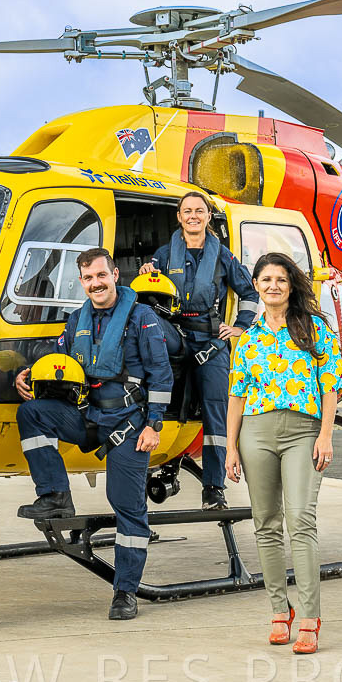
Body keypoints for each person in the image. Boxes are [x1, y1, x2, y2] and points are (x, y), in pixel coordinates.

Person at [13, 247, 173, 621]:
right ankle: (55, 495)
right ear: (81, 281)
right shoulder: (77, 321)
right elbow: (60, 361)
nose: (95, 283)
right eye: (88, 278)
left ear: (115, 275)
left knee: (126, 505)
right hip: (88, 417)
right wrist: (26, 374)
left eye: (101, 275)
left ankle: (125, 591)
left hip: (129, 425)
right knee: (32, 413)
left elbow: (161, 374)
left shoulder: (142, 318)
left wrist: (154, 424)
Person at [224, 252, 342, 655]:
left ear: (291, 285)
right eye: (266, 280)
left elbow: (330, 385)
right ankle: (280, 610)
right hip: (256, 433)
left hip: (303, 432)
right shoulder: (248, 338)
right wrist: (230, 447)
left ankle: (310, 616)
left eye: (280, 279)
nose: (273, 286)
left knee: (300, 520)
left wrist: (325, 435)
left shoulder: (314, 329)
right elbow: (236, 395)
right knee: (265, 523)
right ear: (256, 286)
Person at [140, 191, 258, 510]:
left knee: (215, 413)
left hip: (210, 341)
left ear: (208, 217)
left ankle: (213, 488)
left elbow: (249, 293)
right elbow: (149, 292)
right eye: (187, 211)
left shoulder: (223, 257)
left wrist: (240, 326)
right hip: (175, 335)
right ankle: (150, 467)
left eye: (199, 211)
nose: (193, 216)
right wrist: (146, 272)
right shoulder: (164, 255)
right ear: (179, 217)